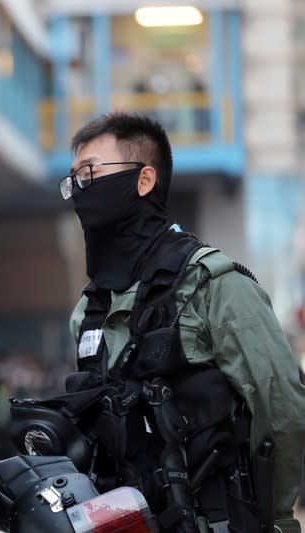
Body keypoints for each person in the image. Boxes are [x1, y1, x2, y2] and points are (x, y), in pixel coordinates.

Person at [51, 112, 305, 532]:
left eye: (91, 172)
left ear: (144, 180)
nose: (80, 189)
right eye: (74, 179)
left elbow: (281, 408)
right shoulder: (89, 309)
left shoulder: (213, 285)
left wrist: (270, 517)